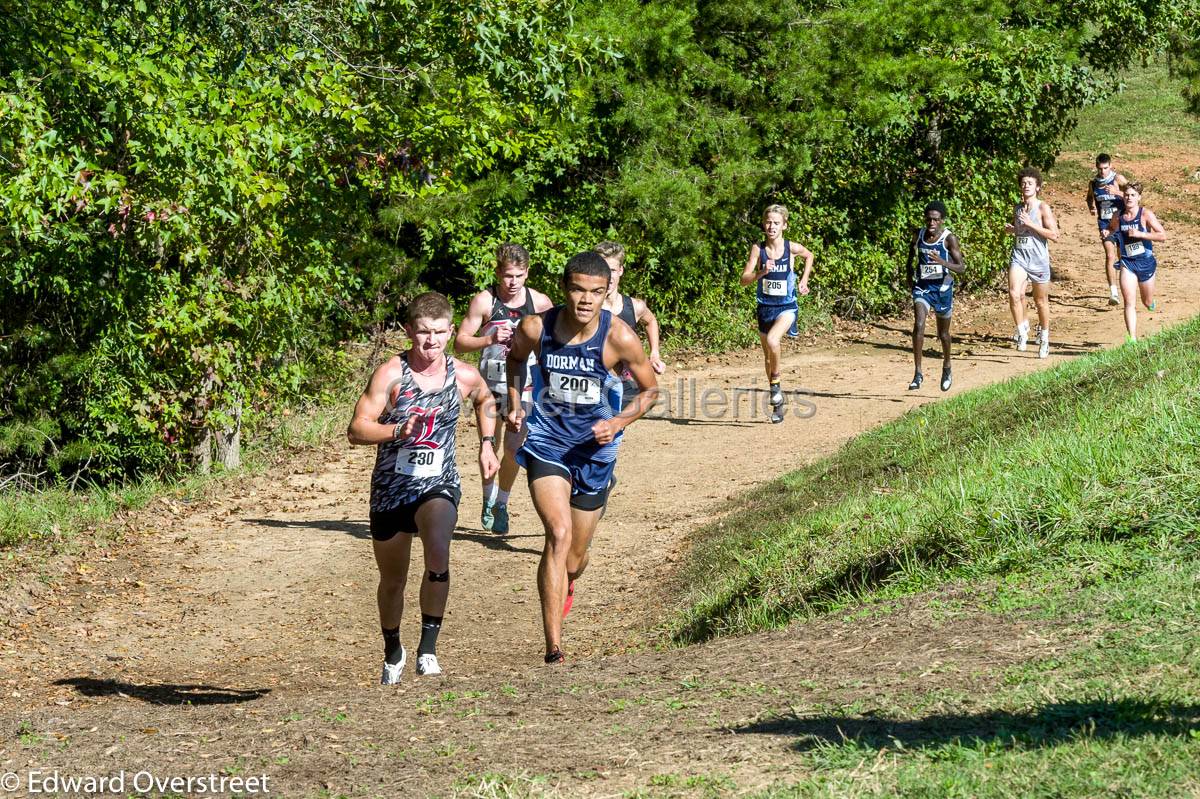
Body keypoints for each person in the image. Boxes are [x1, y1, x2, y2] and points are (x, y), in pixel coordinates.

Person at [505, 252, 658, 664]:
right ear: (564, 289)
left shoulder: (620, 337)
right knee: (557, 533)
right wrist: (516, 401)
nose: (585, 300)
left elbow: (650, 391)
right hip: (548, 442)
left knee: (574, 557)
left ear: (607, 292)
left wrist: (620, 422)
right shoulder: (537, 327)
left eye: (595, 291)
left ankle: (568, 579)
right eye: (577, 289)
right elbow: (515, 358)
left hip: (595, 450)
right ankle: (553, 647)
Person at [347, 292, 500, 684]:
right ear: (408, 332)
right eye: (422, 333)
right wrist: (396, 429)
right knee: (393, 579)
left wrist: (486, 443)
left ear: (451, 331)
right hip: (391, 488)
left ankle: (428, 649)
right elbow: (357, 428)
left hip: (439, 481)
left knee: (438, 551)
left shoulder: (462, 374)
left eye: (438, 333)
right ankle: (392, 649)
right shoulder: (390, 374)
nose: (430, 342)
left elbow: (485, 399)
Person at [454, 244, 553, 534]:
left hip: (524, 387)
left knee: (513, 449)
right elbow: (460, 341)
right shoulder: (485, 301)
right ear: (498, 272)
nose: (513, 282)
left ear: (527, 273)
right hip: (488, 387)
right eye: (508, 275)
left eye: (519, 276)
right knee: (489, 444)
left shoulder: (540, 303)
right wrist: (490, 338)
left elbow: (553, 343)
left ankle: (502, 503)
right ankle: (487, 499)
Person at [739, 204, 815, 423]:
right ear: (764, 225)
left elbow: (809, 255)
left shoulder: (791, 247)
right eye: (768, 222)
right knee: (767, 357)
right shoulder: (758, 249)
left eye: (776, 223)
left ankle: (775, 384)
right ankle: (777, 401)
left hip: (787, 307)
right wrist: (761, 272)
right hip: (764, 308)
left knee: (773, 341)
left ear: (784, 225)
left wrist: (803, 280)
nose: (771, 226)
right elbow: (743, 280)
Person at [595, 241, 666, 408]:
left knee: (615, 430)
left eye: (612, 270)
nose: (608, 276)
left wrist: (654, 353)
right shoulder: (588, 307)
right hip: (594, 385)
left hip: (626, 385)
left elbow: (651, 321)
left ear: (620, 270)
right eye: (602, 269)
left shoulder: (635, 306)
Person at [905, 201, 965, 391]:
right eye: (929, 219)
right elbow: (910, 253)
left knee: (943, 334)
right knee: (919, 325)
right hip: (922, 287)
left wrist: (942, 262)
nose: (931, 223)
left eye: (935, 220)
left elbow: (961, 267)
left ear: (942, 221)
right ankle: (918, 373)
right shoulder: (919, 234)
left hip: (942, 290)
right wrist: (909, 274)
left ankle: (947, 366)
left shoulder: (949, 239)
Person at [1005, 167, 1059, 359]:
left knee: (1040, 301)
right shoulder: (1018, 208)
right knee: (1014, 293)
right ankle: (1022, 331)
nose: (1026, 186)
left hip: (1038, 260)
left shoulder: (1042, 208)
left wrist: (1030, 223)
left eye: (1030, 183)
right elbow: (1022, 233)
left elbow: (1054, 235)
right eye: (1023, 183)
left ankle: (1044, 337)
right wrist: (1013, 230)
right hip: (1019, 257)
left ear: (1037, 187)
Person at [1106, 182, 1166, 342]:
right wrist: (1108, 232)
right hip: (1127, 262)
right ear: (1122, 197)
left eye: (1133, 195)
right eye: (1126, 195)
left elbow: (1162, 236)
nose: (1129, 198)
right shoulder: (1118, 216)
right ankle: (1132, 339)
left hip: (1145, 262)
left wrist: (1142, 234)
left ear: (1139, 197)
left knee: (1146, 301)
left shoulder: (1146, 214)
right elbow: (1111, 229)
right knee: (1129, 301)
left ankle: (1150, 302)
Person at [1085, 153, 1128, 306]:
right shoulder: (1094, 183)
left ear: (1111, 166)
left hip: (1121, 223)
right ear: (1096, 167)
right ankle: (1113, 293)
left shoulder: (1118, 179)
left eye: (1105, 168)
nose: (1103, 171)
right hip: (1105, 225)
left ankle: (1126, 287)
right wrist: (1091, 208)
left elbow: (1134, 195)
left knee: (1122, 257)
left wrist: (1117, 192)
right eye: (1100, 168)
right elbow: (1089, 197)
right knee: (1110, 256)